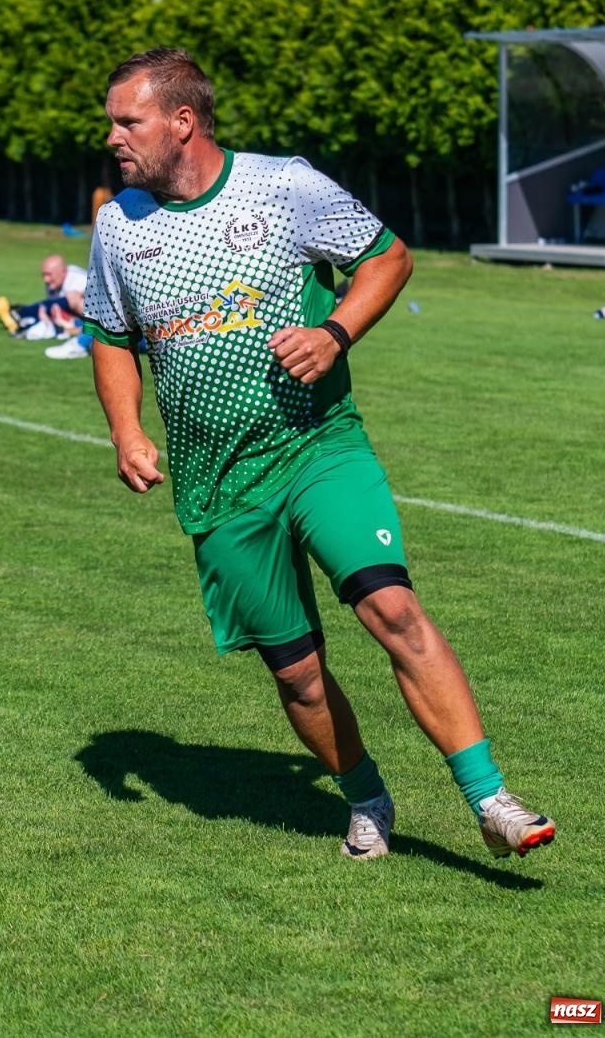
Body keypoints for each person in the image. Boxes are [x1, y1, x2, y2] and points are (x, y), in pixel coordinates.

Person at [83, 47, 555, 862]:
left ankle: (492, 799)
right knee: (297, 674)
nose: (115, 138)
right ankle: (367, 794)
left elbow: (387, 257)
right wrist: (126, 430)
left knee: (391, 608)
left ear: (182, 121)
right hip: (218, 483)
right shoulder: (119, 224)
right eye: (113, 123)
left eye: (129, 121)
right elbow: (110, 336)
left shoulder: (284, 186)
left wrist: (336, 332)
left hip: (316, 446)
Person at [0, 254, 86, 341]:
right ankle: (20, 322)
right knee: (50, 311)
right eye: (44, 275)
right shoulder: (54, 283)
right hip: (79, 319)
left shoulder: (78, 280)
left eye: (49, 274)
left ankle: (19, 314)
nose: (45, 279)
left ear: (63, 272)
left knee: (72, 299)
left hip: (95, 317)